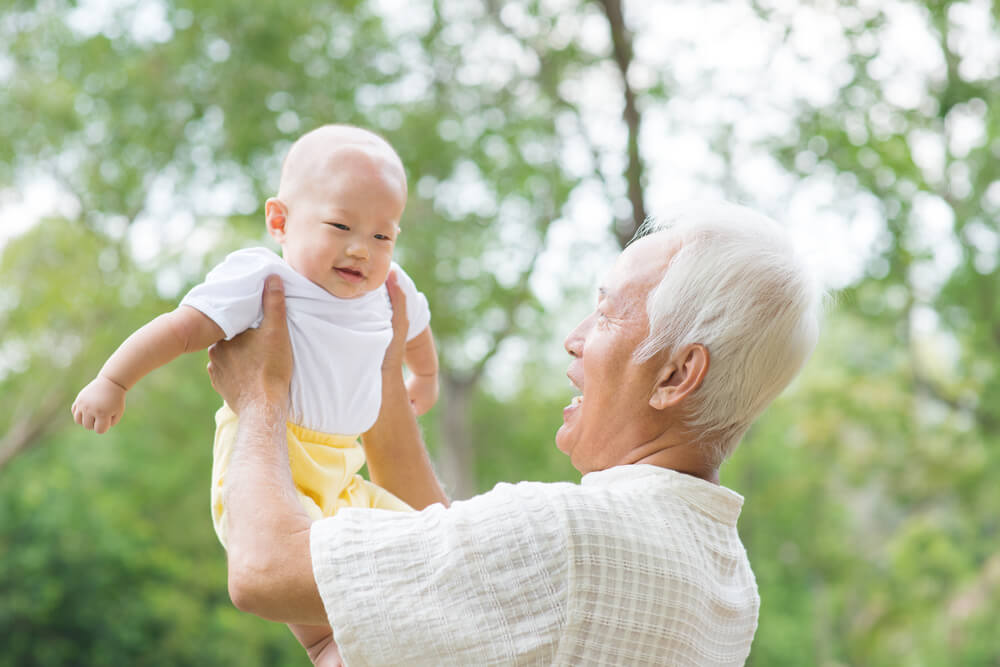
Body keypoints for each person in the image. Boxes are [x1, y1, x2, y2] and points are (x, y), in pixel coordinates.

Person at [207, 202, 824, 666]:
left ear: (676, 374)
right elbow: (460, 572)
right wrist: (382, 382)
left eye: (607, 312)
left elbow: (263, 572)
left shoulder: (570, 537)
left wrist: (261, 398)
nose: (575, 337)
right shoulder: (727, 580)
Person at [70, 125, 440, 653]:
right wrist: (114, 379)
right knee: (304, 583)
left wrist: (423, 378)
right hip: (269, 461)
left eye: (383, 236)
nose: (362, 249)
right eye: (340, 226)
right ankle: (323, 644)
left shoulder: (390, 287)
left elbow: (417, 335)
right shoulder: (261, 279)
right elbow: (180, 329)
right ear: (280, 221)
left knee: (430, 544)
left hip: (343, 466)